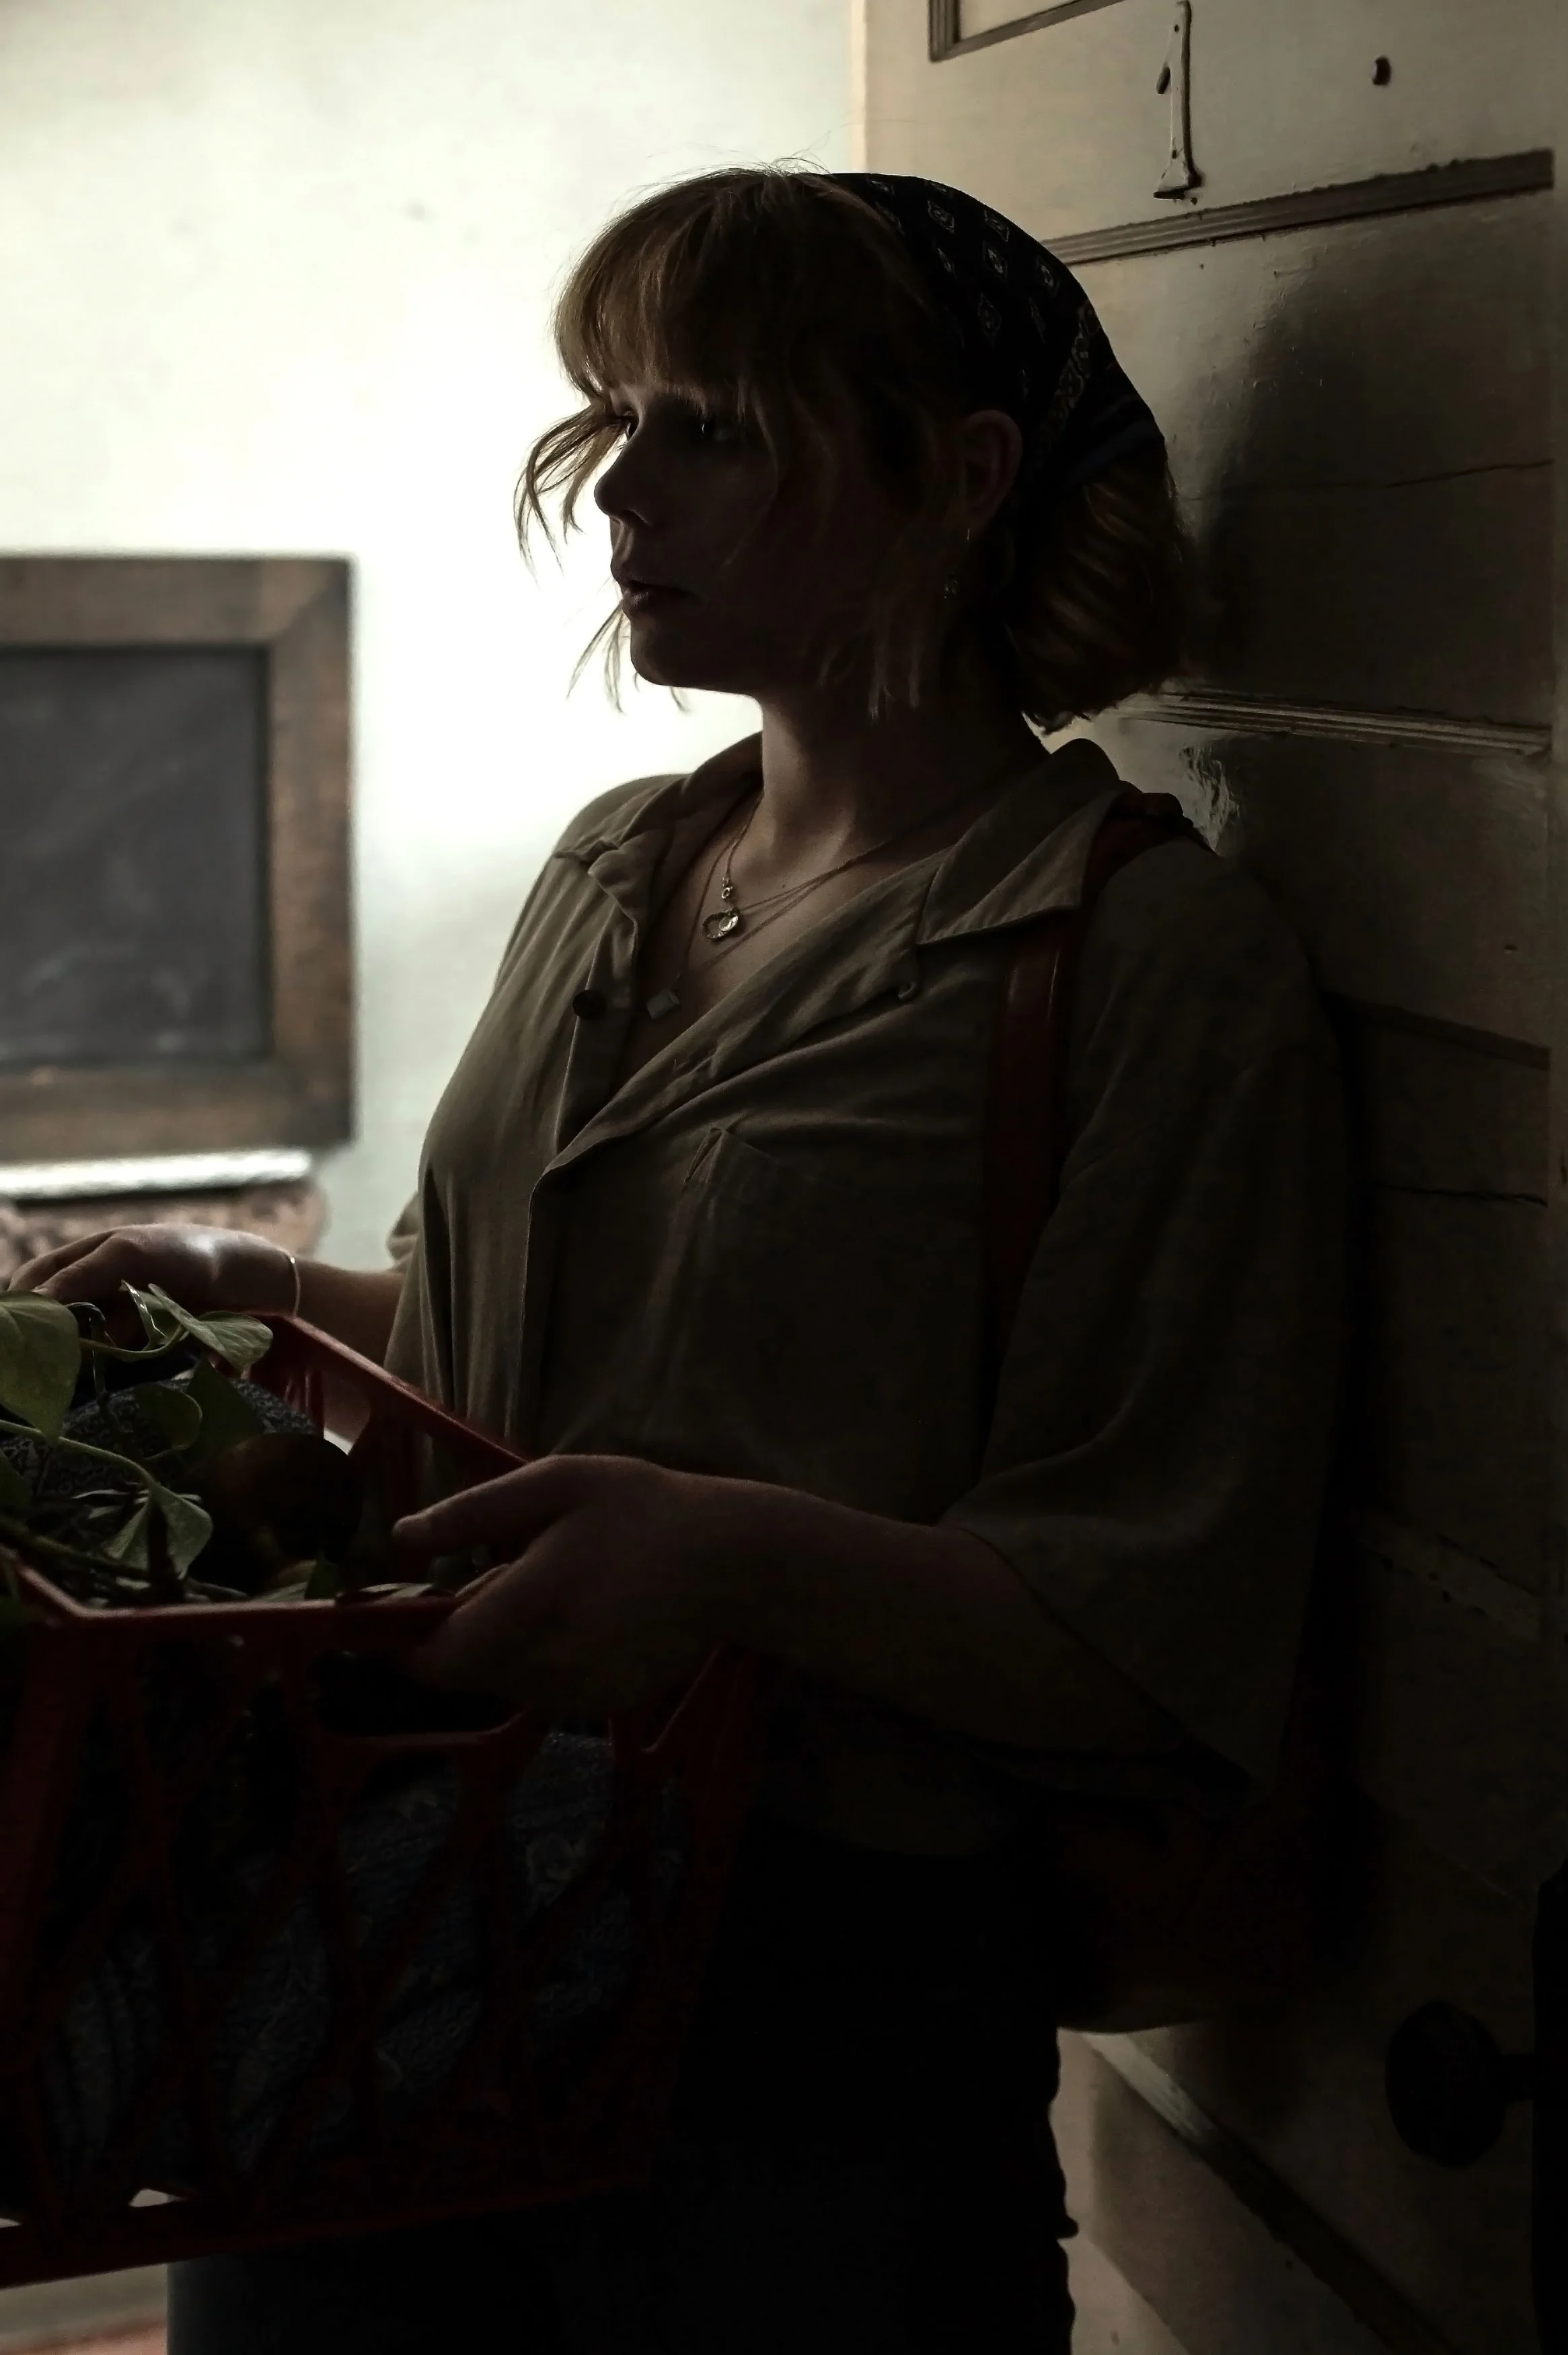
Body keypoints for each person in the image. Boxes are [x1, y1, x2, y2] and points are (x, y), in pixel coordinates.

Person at [10, 167, 1345, 2355]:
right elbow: (526, 1373)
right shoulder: (620, 864)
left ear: (959, 482)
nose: (619, 488)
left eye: (709, 424)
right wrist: (251, 1294)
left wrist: (724, 1560)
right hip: (376, 1953)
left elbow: (1154, 1632)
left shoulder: (1137, 963)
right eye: (616, 413)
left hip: (811, 2029)